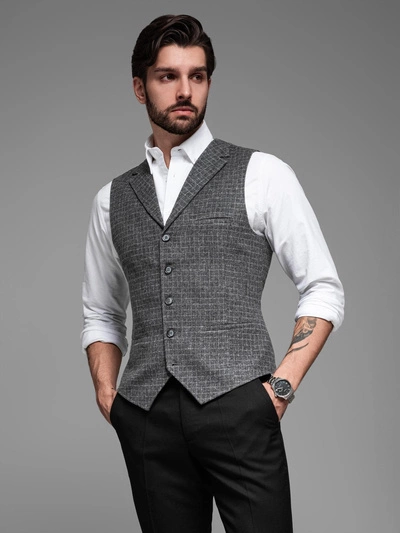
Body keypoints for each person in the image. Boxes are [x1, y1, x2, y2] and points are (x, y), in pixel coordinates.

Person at [81, 14, 344, 533]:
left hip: (240, 408)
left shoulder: (262, 174)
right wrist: (110, 396)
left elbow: (323, 288)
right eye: (168, 76)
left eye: (197, 76)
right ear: (140, 88)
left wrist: (280, 389)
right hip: (147, 417)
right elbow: (101, 313)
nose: (185, 90)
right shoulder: (111, 200)